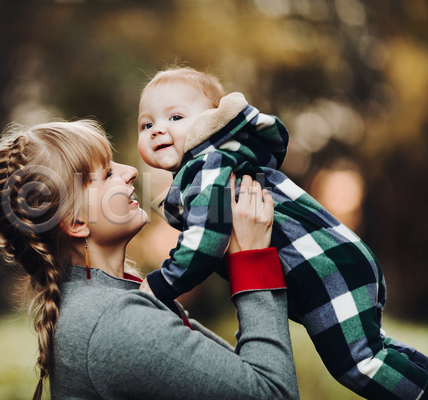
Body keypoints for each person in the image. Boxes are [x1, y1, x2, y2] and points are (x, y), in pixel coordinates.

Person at [136, 67, 428, 400]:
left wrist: (160, 284)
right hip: (337, 262)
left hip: (325, 269)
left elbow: (208, 237)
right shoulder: (218, 164)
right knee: (379, 350)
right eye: (147, 124)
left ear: (212, 122)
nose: (158, 130)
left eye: (175, 117)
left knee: (359, 364)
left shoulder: (210, 164)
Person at [0, 120, 300, 399]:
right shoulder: (113, 322)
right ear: (77, 222)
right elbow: (273, 392)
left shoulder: (109, 301)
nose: (131, 172)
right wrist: (252, 259)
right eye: (107, 173)